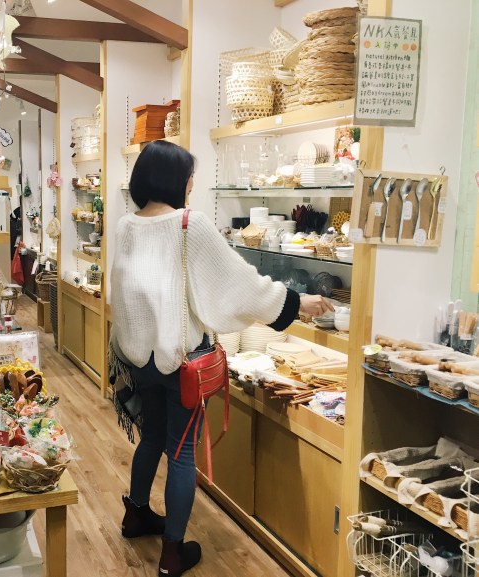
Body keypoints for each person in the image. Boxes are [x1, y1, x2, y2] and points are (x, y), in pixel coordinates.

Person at [108, 141, 331, 577]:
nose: (192, 184)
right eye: (190, 176)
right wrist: (294, 302)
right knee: (182, 453)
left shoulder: (126, 226)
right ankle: (172, 554)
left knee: (151, 438)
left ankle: (136, 514)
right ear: (177, 180)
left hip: (137, 358)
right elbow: (237, 281)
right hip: (180, 362)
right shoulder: (189, 224)